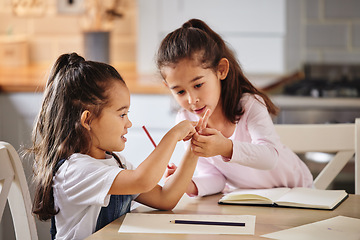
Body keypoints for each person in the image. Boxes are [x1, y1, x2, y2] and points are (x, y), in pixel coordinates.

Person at [28, 52, 208, 240]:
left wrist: (194, 150)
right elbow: (143, 180)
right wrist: (172, 136)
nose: (128, 123)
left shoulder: (115, 163)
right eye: (122, 114)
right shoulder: (75, 170)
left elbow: (165, 199)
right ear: (88, 120)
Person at [156, 19, 313, 197]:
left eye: (198, 85)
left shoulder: (249, 105)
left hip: (297, 193)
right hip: (250, 200)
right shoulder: (186, 121)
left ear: (221, 70)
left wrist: (225, 147)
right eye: (180, 91)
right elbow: (215, 177)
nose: (192, 100)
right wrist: (187, 183)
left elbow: (270, 157)